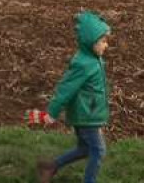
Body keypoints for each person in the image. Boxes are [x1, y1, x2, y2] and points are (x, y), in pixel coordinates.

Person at [26, 11, 111, 183]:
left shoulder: (93, 59)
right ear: (90, 42)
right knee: (98, 151)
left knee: (85, 149)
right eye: (102, 41)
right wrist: (52, 112)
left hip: (89, 113)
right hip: (87, 116)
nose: (106, 45)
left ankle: (51, 166)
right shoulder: (83, 64)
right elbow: (66, 88)